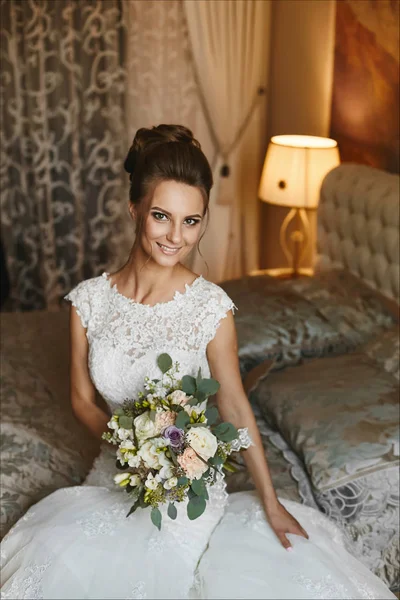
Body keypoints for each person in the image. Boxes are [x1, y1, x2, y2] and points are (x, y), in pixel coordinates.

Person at [0, 125, 395, 600]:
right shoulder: (88, 302)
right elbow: (83, 401)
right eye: (162, 216)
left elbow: (233, 404)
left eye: (192, 221)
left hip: (189, 490)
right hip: (117, 474)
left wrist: (270, 502)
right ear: (135, 210)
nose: (175, 237)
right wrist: (135, 449)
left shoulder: (210, 307)